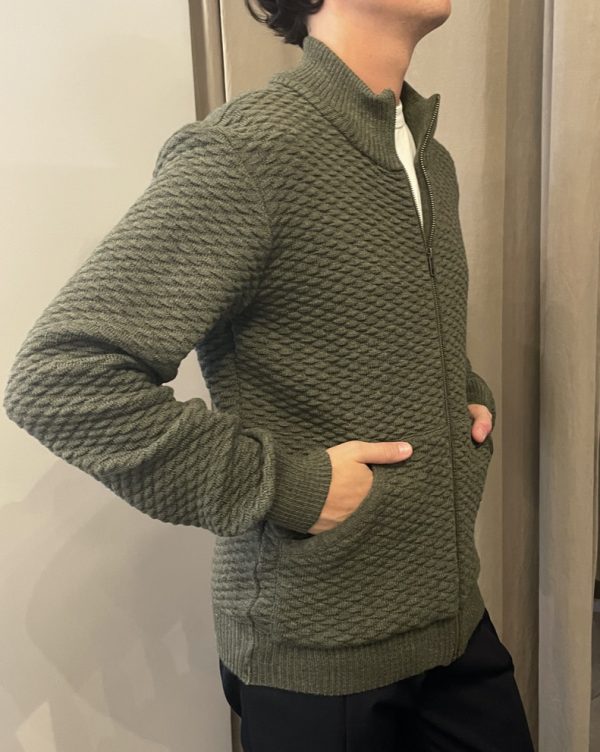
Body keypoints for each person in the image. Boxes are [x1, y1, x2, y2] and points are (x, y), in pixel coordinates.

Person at [3, 0, 535, 749]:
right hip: (319, 657)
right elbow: (60, 376)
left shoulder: (427, 158)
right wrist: (286, 486)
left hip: (450, 622)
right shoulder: (252, 150)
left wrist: (460, 394)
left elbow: (361, 331)